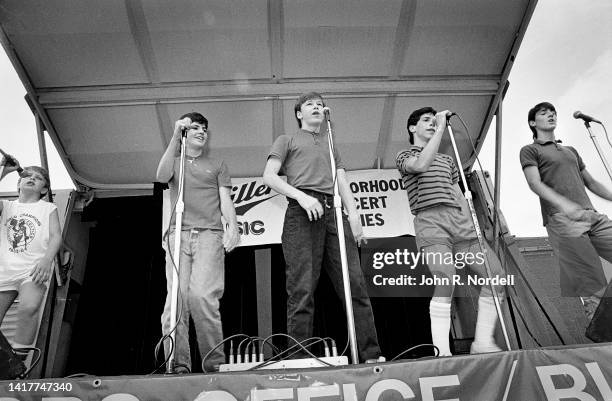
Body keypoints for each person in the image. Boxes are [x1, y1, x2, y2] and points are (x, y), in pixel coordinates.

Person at [263, 92, 382, 362]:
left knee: (354, 284)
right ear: (298, 114)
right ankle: (299, 358)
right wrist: (302, 197)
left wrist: (354, 215)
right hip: (302, 209)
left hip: (334, 211)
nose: (316, 107)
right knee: (302, 288)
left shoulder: (330, 143)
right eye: (309, 105)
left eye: (319, 104)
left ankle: (371, 355)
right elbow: (269, 176)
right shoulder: (287, 139)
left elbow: (341, 178)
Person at [396, 107, 505, 356]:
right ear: (412, 128)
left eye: (434, 121)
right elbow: (421, 165)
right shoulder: (404, 155)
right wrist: (442, 127)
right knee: (445, 278)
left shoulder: (447, 160)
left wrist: (470, 224)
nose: (433, 124)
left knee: (496, 276)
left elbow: (458, 193)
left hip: (460, 224)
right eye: (427, 121)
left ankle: (482, 342)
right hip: (431, 222)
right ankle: (442, 351)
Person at [156, 112, 239, 372]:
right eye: (194, 128)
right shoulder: (176, 162)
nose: (202, 131)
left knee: (202, 297)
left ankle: (214, 366)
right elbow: (161, 176)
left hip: (208, 235)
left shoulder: (216, 164)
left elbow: (226, 200)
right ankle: (178, 365)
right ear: (184, 133)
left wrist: (233, 227)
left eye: (204, 128)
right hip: (177, 235)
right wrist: (174, 136)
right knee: (176, 302)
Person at [520, 102, 612, 321]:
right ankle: (606, 345)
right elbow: (534, 183)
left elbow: (590, 182)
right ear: (533, 122)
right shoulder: (530, 150)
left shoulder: (570, 151)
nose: (551, 115)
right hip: (563, 219)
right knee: (590, 283)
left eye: (553, 113)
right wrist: (563, 204)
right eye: (544, 113)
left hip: (593, 216)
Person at [0, 157, 61, 357]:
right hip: (4, 271)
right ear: (19, 183)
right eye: (28, 176)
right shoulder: (7, 206)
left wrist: (46, 260)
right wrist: (5, 171)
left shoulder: (48, 208)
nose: (32, 178)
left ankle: (20, 362)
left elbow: (55, 236)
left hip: (33, 269)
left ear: (44, 190)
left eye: (38, 178)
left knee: (29, 307)